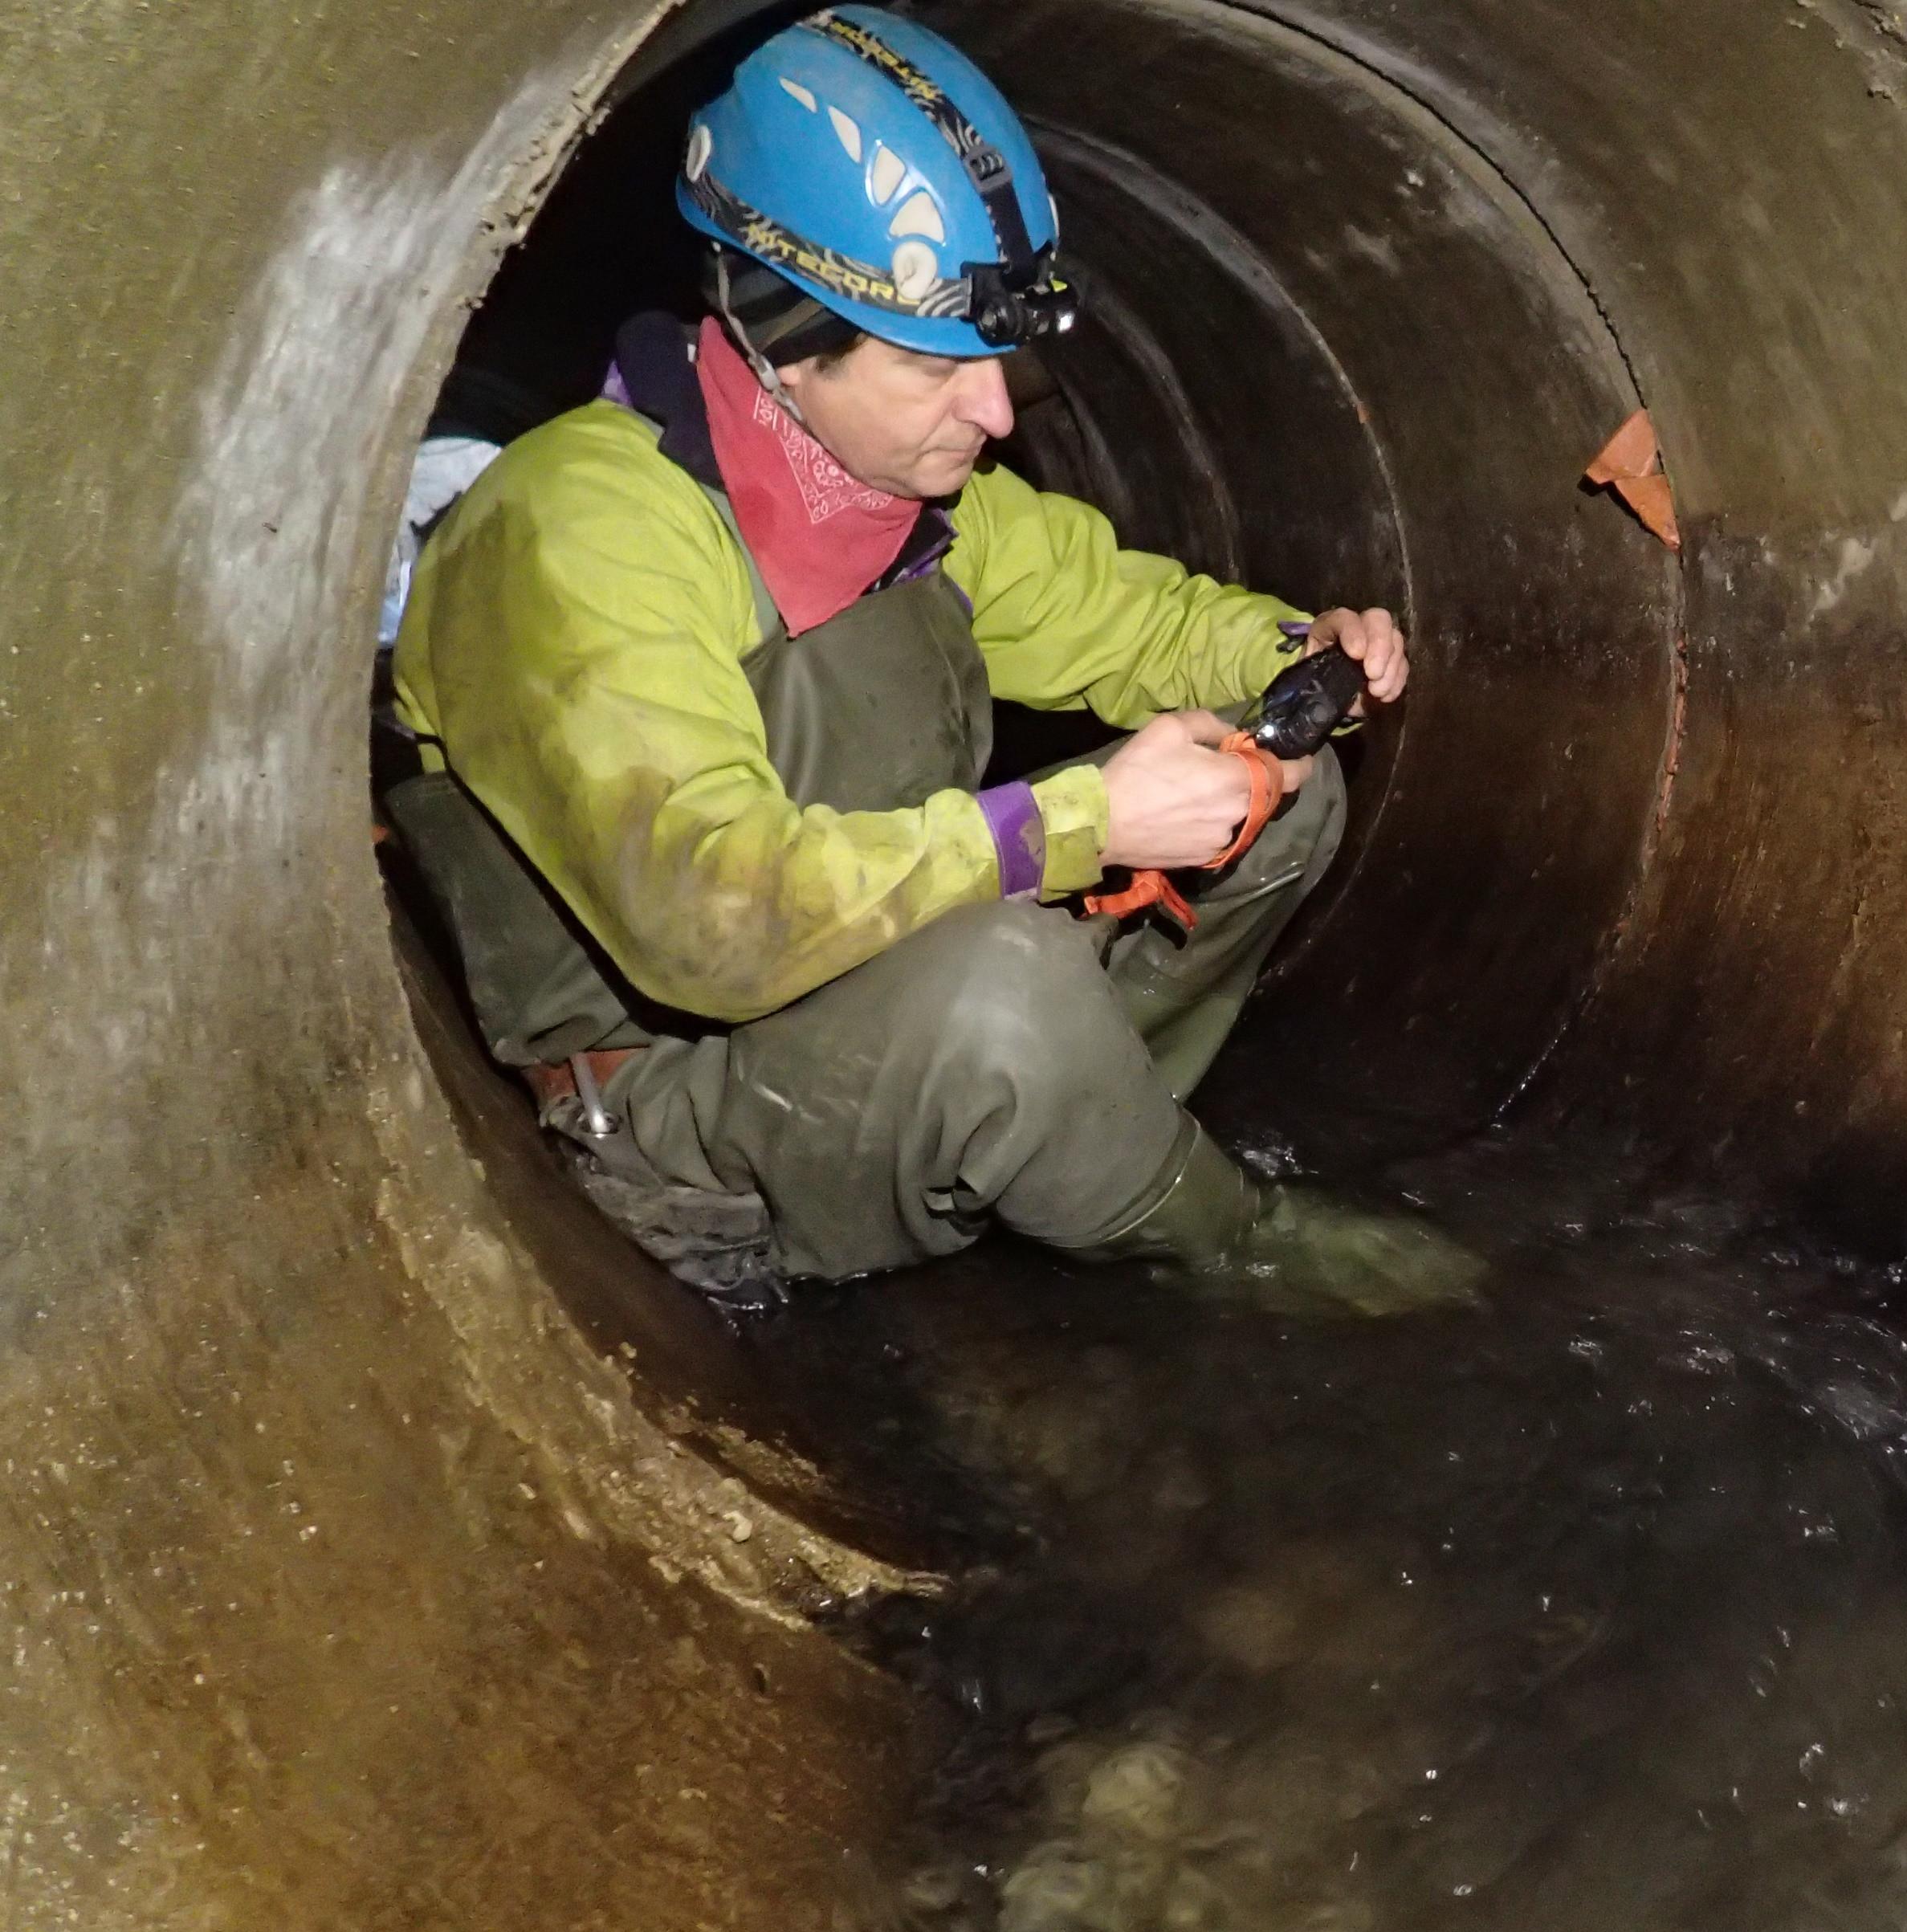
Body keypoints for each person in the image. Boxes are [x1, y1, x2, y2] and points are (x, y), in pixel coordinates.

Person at [385, 6, 1470, 1314]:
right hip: (680, 1104)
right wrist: (1076, 821)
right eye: (928, 364)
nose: (995, 411)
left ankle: (1076, 1125)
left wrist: (1297, 653)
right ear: (779, 339)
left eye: (999, 359)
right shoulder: (578, 535)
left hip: (883, 996)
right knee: (1001, 985)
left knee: (1276, 794)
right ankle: (1217, 1237)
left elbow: (1129, 619)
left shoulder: (899, 490)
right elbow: (707, 921)